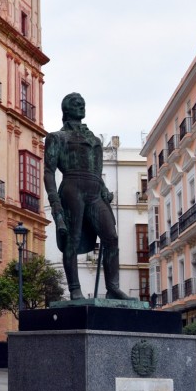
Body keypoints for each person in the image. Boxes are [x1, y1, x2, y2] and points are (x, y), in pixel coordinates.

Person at [44, 93, 132, 300]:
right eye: (76, 104)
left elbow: (97, 169)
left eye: (83, 104)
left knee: (111, 237)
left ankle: (113, 288)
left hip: (94, 189)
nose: (81, 106)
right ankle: (75, 289)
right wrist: (55, 203)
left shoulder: (93, 139)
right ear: (66, 109)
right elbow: (48, 171)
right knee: (72, 240)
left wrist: (103, 188)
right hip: (72, 187)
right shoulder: (57, 137)